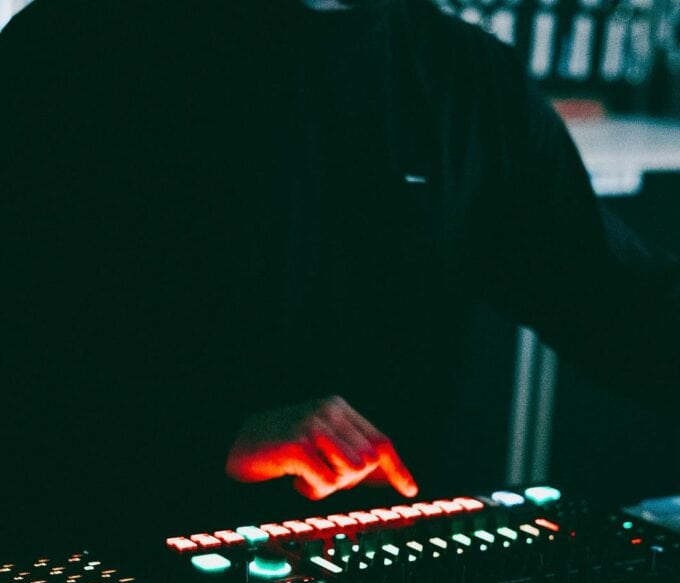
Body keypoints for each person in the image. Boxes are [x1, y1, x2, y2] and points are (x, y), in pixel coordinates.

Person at [1, 0, 679, 546]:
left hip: (379, 577)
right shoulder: (75, 48)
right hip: (102, 568)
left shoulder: (459, 76)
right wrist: (208, 434)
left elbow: (612, 302)